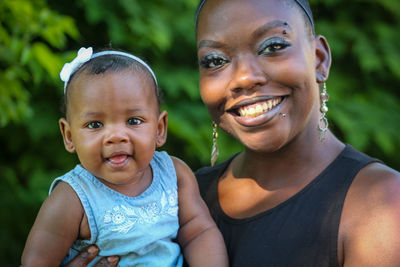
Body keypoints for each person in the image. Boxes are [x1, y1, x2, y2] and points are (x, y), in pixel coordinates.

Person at [55, 0, 400, 266]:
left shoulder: (381, 204)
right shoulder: (178, 197)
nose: (244, 78)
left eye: (273, 46)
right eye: (215, 61)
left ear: (320, 58)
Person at [21, 47, 228, 267]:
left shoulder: (174, 175)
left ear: (159, 129)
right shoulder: (72, 199)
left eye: (133, 121)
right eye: (95, 124)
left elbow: (199, 232)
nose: (116, 136)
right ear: (69, 136)